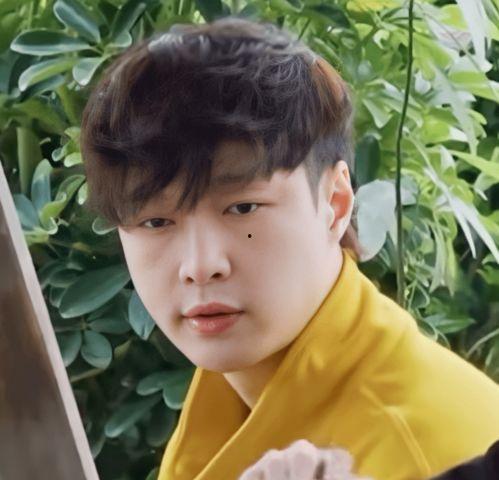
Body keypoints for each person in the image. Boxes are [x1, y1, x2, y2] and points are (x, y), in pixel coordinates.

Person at [79, 16, 499, 480]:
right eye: (156, 222)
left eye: (243, 208)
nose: (200, 266)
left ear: (336, 204)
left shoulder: (423, 452)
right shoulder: (237, 384)